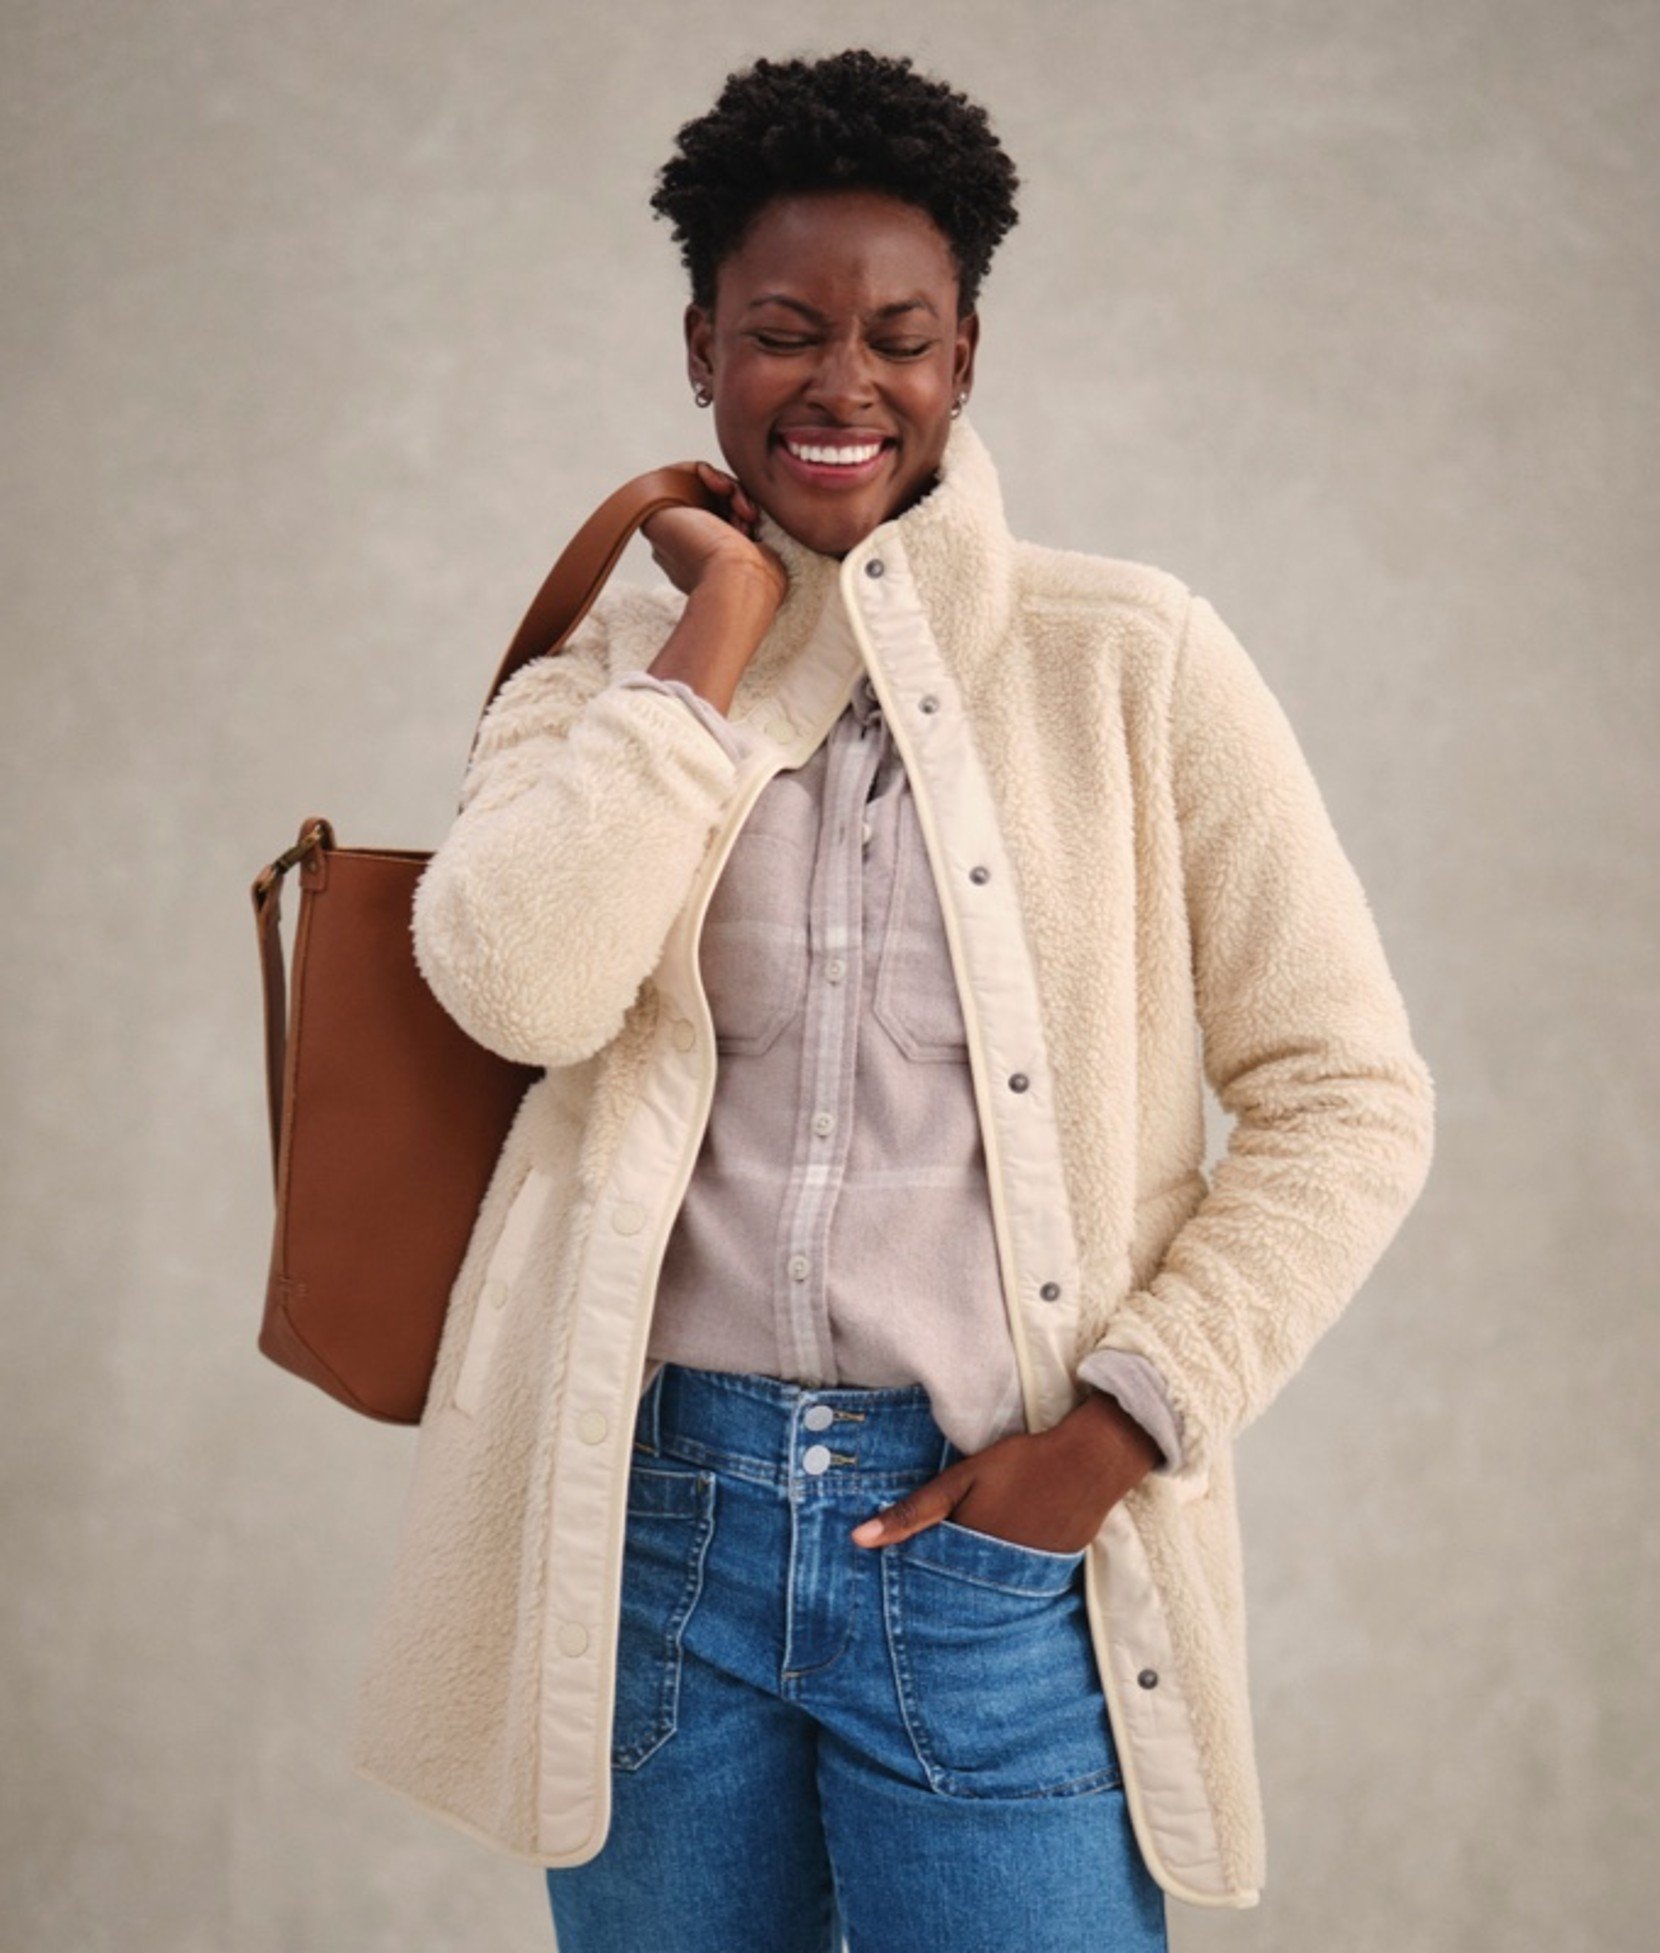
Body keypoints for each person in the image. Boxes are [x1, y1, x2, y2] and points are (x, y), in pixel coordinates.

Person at [348, 48, 1435, 1953]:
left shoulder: (1134, 663)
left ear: (966, 357)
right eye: (783, 332)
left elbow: (1351, 1094)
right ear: (703, 347)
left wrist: (1119, 1433)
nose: (843, 383)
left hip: (989, 1554)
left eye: (899, 338)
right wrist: (710, 648)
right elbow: (518, 986)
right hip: (654, 1537)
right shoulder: (609, 670)